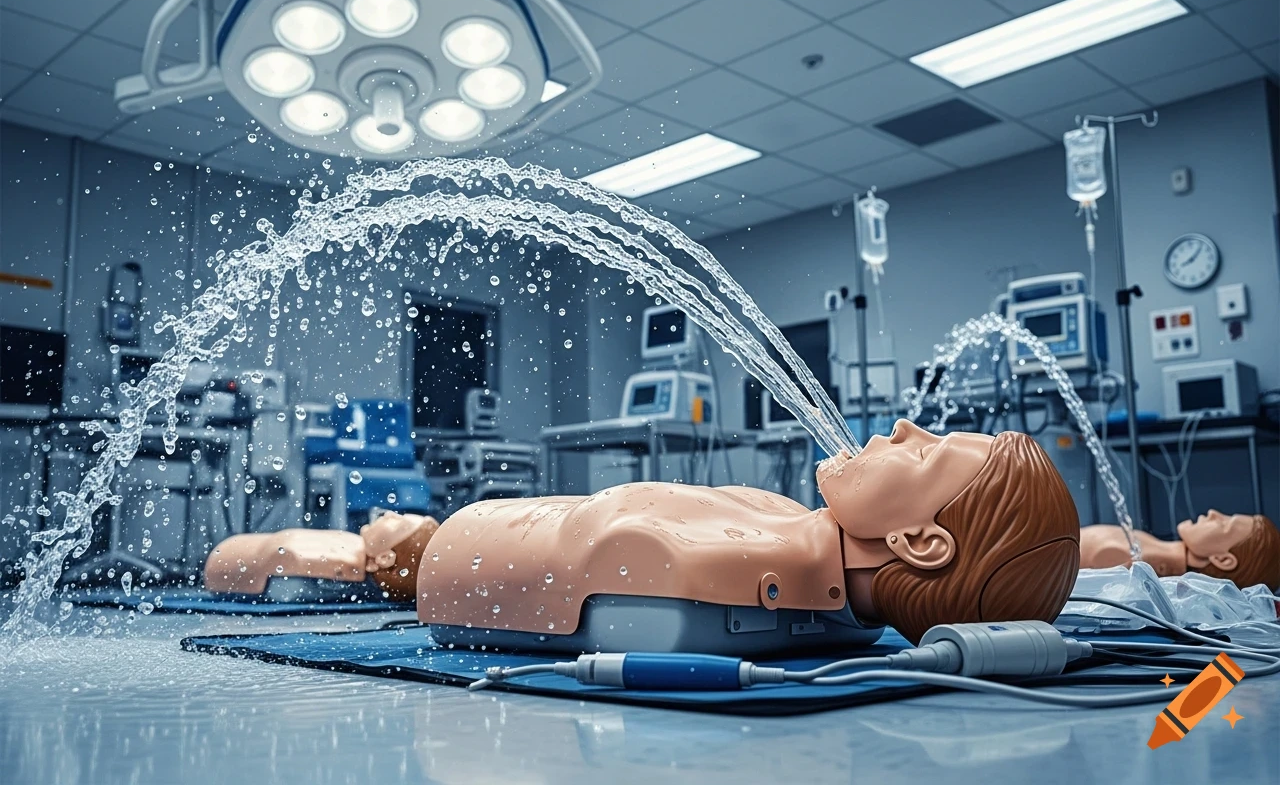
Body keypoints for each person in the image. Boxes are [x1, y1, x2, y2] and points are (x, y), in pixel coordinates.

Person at [205, 421, 1080, 644]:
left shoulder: (735, 564)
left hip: (467, 552)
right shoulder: (795, 546)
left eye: (924, 453)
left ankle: (380, 552)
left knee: (284, 553)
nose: (898, 433)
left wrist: (402, 551)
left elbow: (617, 552)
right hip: (482, 541)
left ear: (922, 546)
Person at [205, 512, 437, 602]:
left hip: (223, 561)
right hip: (227, 554)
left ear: (385, 559)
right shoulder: (352, 545)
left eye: (399, 520)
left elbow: (281, 577)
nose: (390, 513)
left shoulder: (326, 562)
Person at [1080, 510, 1280, 591]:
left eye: (1224, 524)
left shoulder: (1135, 559)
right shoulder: (1145, 549)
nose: (1213, 514)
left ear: (1222, 559)